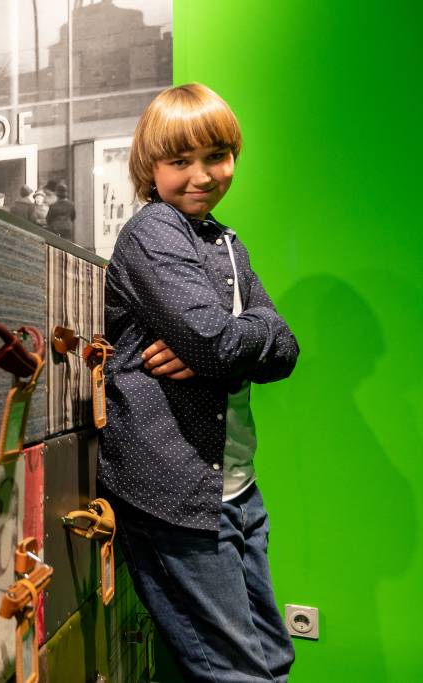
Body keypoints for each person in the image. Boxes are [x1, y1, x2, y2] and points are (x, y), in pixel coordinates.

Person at [98, 83, 299, 682]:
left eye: (216, 156)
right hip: (175, 491)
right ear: (149, 167)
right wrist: (230, 343)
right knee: (238, 672)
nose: (202, 175)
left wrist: (235, 340)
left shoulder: (224, 241)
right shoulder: (155, 232)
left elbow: (283, 351)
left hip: (235, 484)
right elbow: (213, 343)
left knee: (271, 660)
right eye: (179, 161)